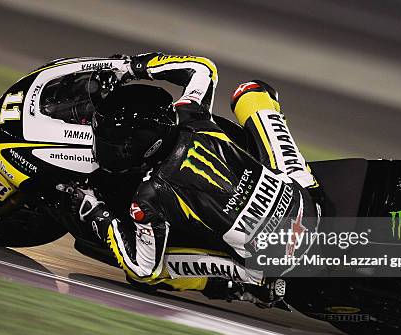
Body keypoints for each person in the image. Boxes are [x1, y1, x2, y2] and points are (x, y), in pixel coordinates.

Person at [78, 53, 319, 305]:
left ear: (141, 145)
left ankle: (244, 286)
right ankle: (314, 184)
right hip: (305, 198)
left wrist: (98, 213)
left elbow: (143, 268)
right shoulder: (192, 112)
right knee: (251, 92)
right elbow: (202, 67)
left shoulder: (150, 195)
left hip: (273, 263)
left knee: (145, 277)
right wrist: (131, 66)